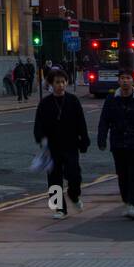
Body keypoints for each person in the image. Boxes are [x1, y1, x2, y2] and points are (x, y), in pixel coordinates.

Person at [97, 68, 134, 219]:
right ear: (118, 81)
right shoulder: (111, 99)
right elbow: (104, 121)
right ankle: (127, 202)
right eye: (122, 78)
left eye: (128, 78)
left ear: (132, 81)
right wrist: (101, 139)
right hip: (118, 143)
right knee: (122, 175)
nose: (125, 81)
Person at [33, 69, 89, 216]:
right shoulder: (45, 103)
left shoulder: (73, 100)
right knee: (53, 179)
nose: (60, 85)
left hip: (71, 145)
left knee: (74, 175)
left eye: (63, 82)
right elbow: (38, 124)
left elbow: (81, 122)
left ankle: (74, 195)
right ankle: (59, 208)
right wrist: (40, 137)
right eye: (57, 82)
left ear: (66, 83)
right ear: (52, 84)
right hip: (52, 147)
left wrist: (84, 140)